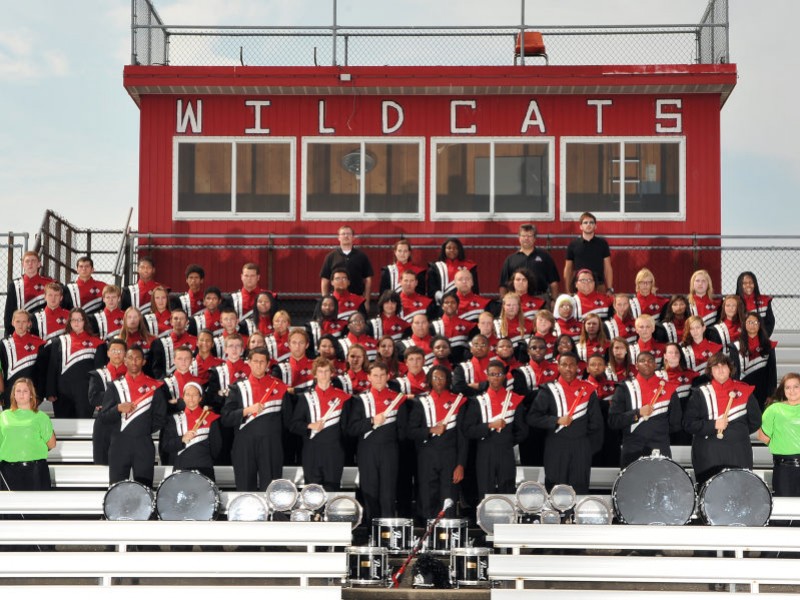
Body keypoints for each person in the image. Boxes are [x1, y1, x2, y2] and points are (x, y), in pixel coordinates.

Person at [528, 352, 604, 493]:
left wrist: (587, 449)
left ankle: (575, 516)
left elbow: (596, 425)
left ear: (577, 367)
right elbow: (533, 417)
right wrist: (556, 420)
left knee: (579, 487)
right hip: (556, 445)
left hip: (581, 446)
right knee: (555, 486)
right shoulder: (548, 390)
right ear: (558, 367)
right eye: (564, 365)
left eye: (571, 365)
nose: (568, 368)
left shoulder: (588, 390)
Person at [683, 351, 761, 486]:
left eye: (723, 366)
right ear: (710, 371)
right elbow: (688, 424)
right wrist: (713, 425)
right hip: (708, 455)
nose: (720, 370)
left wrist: (737, 433)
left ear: (730, 369)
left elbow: (755, 421)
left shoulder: (744, 390)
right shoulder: (700, 393)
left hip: (738, 453)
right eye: (715, 367)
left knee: (739, 492)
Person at [344, 361, 408, 522]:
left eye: (382, 375)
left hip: (389, 450)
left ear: (388, 376)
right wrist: (372, 421)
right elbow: (351, 429)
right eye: (375, 375)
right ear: (369, 377)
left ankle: (387, 531)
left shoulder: (398, 399)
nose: (379, 379)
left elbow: (403, 431)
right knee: (369, 490)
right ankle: (372, 532)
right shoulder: (360, 400)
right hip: (367, 449)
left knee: (388, 492)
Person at [222, 347, 290, 491]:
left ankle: (273, 514)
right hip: (244, 444)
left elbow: (288, 421)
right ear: (249, 363)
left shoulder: (280, 388)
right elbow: (226, 418)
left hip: (271, 444)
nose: (258, 365)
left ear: (267, 364)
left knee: (272, 488)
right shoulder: (238, 388)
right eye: (255, 361)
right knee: (245, 486)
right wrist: (247, 411)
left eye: (262, 362)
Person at [100, 346, 165, 487]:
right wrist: (118, 408)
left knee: (144, 489)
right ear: (125, 361)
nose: (134, 362)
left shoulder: (155, 386)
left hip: (144, 445)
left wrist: (142, 429)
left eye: (138, 358)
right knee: (116, 489)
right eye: (130, 358)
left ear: (144, 362)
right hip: (119, 445)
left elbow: (160, 417)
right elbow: (103, 417)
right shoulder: (114, 386)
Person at [407, 366, 466, 520]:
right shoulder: (421, 402)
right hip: (426, 457)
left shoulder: (458, 401)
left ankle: (448, 539)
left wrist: (460, 464)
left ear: (447, 380)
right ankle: (429, 538)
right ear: (429, 380)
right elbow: (410, 431)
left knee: (449, 499)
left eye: (442, 377)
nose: (438, 381)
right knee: (427, 498)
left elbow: (463, 437)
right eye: (435, 377)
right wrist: (431, 429)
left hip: (450, 459)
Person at [461, 360, 527, 498]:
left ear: (504, 376)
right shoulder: (477, 401)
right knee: (485, 490)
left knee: (507, 489)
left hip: (506, 450)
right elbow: (468, 430)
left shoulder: (515, 399)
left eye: (499, 374)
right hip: (484, 450)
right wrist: (490, 426)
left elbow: (522, 431)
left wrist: (507, 440)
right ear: (487, 376)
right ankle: (485, 519)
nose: (496, 377)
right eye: (492, 374)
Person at [608, 351, 682, 468]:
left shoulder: (669, 388)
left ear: (655, 365)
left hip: (660, 449)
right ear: (636, 366)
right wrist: (638, 413)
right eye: (642, 361)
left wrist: (656, 431)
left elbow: (676, 423)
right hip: (632, 450)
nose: (647, 363)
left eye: (650, 361)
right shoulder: (624, 389)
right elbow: (613, 421)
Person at [290, 357, 352, 491]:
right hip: (311, 451)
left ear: (332, 373)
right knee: (312, 491)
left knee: (332, 490)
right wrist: (309, 426)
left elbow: (346, 428)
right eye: (320, 371)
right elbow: (294, 425)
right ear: (315, 374)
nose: (323, 375)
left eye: (326, 371)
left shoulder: (343, 397)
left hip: (334, 451)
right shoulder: (304, 397)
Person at [0, 378, 56, 491]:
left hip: (36, 470)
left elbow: (51, 444)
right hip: (7, 470)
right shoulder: (3, 416)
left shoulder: (41, 417)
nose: (21, 394)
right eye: (18, 391)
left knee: (37, 507)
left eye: (25, 391)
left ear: (31, 394)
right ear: (13, 395)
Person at [46, 308, 102, 418]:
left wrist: (98, 396)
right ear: (69, 322)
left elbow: (99, 372)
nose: (76, 323)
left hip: (85, 395)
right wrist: (50, 392)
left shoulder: (97, 343)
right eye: (73, 320)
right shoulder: (59, 341)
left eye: (79, 320)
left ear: (85, 321)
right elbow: (52, 368)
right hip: (62, 395)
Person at [162, 381, 221, 481]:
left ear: (200, 398)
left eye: (195, 395)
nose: (191, 398)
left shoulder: (211, 418)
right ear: (183, 397)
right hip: (181, 468)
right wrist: (182, 439)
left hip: (204, 468)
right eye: (188, 394)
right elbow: (166, 446)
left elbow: (216, 446)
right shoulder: (173, 419)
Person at [758, 373, 800, 496]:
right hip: (784, 469)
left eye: (796, 386)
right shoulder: (774, 409)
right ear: (783, 390)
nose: (792, 391)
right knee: (786, 507)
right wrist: (781, 444)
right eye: (788, 387)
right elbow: (762, 435)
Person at [88, 338, 127, 465]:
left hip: (126, 421)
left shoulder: (131, 375)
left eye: (120, 351)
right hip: (104, 423)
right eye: (114, 350)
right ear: (108, 353)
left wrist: (107, 399)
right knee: (101, 462)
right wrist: (121, 397)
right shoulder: (98, 374)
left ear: (126, 353)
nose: (117, 353)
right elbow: (94, 398)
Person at [498, 224, 559, 300]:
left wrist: (554, 300)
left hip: (540, 298)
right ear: (519, 238)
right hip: (517, 300)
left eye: (530, 236)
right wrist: (503, 300)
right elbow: (503, 285)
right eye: (523, 236)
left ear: (534, 238)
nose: (526, 238)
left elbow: (553, 282)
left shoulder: (545, 257)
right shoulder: (510, 260)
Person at [730, 312, 777, 410]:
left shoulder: (768, 345)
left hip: (762, 390)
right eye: (749, 322)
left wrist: (771, 393)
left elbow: (772, 370)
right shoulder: (735, 346)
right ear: (744, 324)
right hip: (743, 388)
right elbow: (734, 372)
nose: (752, 325)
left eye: (756, 322)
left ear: (760, 325)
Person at [320, 225, 374, 310]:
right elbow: (325, 280)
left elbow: (368, 280)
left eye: (348, 234)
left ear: (353, 238)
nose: (346, 236)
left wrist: (366, 301)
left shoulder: (361, 256)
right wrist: (325, 300)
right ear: (338, 238)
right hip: (336, 301)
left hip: (357, 299)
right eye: (343, 234)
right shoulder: (331, 256)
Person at [1, 310, 45, 409]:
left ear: (29, 323)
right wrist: (2, 393)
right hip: (9, 395)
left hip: (31, 395)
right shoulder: (3, 344)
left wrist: (40, 396)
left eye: (24, 322)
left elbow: (42, 373)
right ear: (12, 322)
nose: (21, 325)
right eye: (18, 321)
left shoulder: (39, 344)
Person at [3, 251, 55, 334]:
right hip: (21, 330)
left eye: (33, 261)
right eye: (27, 261)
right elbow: (9, 312)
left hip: (43, 329)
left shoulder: (49, 284)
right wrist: (9, 333)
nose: (30, 264)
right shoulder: (15, 285)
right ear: (23, 264)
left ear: (39, 264)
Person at [563, 212, 613, 293]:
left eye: (591, 222)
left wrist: (610, 288)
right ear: (581, 227)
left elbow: (608, 268)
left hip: (599, 286)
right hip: (579, 286)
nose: (588, 225)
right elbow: (568, 269)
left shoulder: (602, 244)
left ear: (595, 226)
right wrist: (568, 290)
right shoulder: (573, 245)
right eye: (585, 222)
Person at [150, 307, 197, 379]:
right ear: (171, 321)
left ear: (187, 322)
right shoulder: (160, 343)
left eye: (181, 318)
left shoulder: (196, 341)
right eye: (175, 318)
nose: (178, 321)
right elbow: (157, 368)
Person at [427, 237, 478, 303]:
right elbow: (432, 289)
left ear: (459, 249)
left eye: (455, 248)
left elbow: (475, 289)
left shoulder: (469, 267)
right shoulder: (435, 267)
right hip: (441, 304)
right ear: (444, 250)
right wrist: (443, 298)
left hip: (465, 302)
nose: (452, 250)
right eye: (449, 248)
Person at [431, 292, 474, 363]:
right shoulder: (434, 326)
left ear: (457, 305)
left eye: (453, 302)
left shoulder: (468, 325)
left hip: (461, 363)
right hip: (441, 364)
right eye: (446, 302)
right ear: (442, 306)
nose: (449, 304)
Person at [494, 293, 533, 360]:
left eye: (514, 305)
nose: (511, 308)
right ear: (504, 306)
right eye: (508, 305)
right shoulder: (496, 323)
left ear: (519, 306)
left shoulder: (529, 322)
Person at [736, 271, 775, 337]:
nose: (748, 285)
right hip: (740, 339)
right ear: (740, 285)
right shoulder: (734, 301)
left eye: (751, 282)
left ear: (755, 284)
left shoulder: (764, 300)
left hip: (760, 339)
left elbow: (770, 323)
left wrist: (763, 338)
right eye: (744, 283)